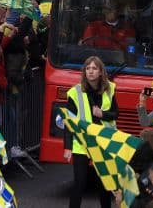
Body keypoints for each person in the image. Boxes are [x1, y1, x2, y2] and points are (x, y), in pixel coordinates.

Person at [64, 56, 120, 208]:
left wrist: (103, 115)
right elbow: (69, 122)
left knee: (104, 184)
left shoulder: (110, 89)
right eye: (88, 68)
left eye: (94, 68)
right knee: (80, 183)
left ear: (101, 72)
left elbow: (116, 113)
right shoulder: (75, 92)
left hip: (103, 142)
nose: (90, 71)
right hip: (82, 143)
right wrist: (68, 147)